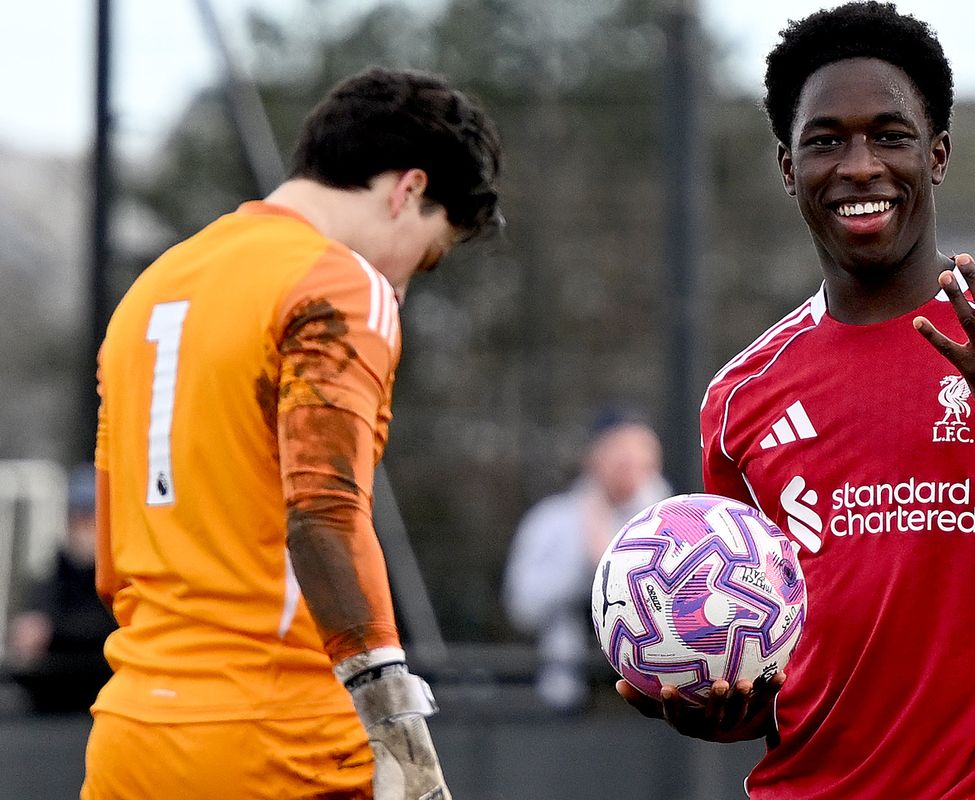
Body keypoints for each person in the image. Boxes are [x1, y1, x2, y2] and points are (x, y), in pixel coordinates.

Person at [617, 3, 975, 798]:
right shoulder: (741, 396)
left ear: (936, 155)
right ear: (786, 166)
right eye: (826, 140)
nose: (860, 165)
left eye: (890, 136)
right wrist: (724, 705)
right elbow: (773, 666)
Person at [82, 67, 500, 800]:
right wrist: (392, 715)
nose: (403, 286)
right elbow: (325, 514)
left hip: (129, 739)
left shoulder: (147, 292)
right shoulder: (339, 282)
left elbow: (113, 563)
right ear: (407, 190)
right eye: (427, 254)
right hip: (281, 744)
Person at [504, 413, 670, 712]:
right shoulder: (552, 520)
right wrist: (589, 565)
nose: (631, 465)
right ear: (594, 458)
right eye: (621, 455)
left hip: (661, 696)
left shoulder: (677, 520)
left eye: (642, 457)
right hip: (573, 695)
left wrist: (620, 560)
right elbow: (522, 606)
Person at [5, 464, 115, 714]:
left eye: (91, 518)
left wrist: (52, 631)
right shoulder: (53, 577)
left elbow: (109, 628)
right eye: (77, 518)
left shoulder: (122, 581)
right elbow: (29, 628)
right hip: (54, 709)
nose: (84, 528)